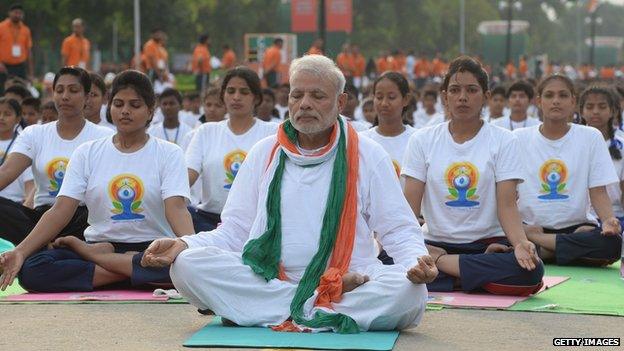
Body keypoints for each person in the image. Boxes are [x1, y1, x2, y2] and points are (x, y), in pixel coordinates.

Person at [141, 55, 436, 333]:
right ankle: (318, 301)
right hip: (272, 279)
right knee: (186, 266)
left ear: (340, 102)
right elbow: (234, 231)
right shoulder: (264, 152)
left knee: (408, 292)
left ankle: (269, 309)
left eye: (317, 96)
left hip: (352, 276)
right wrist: (184, 243)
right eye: (297, 96)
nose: (305, 104)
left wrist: (416, 263)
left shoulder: (368, 154)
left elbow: (398, 229)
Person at [0, 70, 194, 293]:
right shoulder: (87, 152)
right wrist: (20, 252)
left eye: (135, 105)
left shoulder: (169, 153)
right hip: (102, 244)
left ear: (150, 110)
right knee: (32, 270)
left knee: (181, 264)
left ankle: (105, 265)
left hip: (151, 247)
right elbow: (61, 210)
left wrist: (192, 251)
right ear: (109, 107)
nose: (125, 111)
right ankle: (134, 273)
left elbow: (177, 209)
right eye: (119, 104)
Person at [402, 56, 544, 295]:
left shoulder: (504, 140)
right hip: (434, 242)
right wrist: (409, 246)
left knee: (531, 272)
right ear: (445, 96)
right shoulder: (422, 140)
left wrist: (520, 244)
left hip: (487, 245)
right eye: (455, 90)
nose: (462, 97)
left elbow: (507, 206)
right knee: (385, 260)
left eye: (471, 90)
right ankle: (472, 277)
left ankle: (442, 267)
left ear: (486, 97)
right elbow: (409, 208)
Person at [0, 67, 113, 246]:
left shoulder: (104, 136)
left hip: (83, 219)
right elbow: (6, 173)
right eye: (59, 90)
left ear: (86, 96)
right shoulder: (34, 134)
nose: (65, 96)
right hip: (40, 218)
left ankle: (46, 246)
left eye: (73, 90)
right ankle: (43, 243)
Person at [517, 75, 623, 266]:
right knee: (506, 242)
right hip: (531, 225)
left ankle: (542, 248)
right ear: (539, 101)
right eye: (549, 95)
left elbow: (598, 192)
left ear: (573, 102)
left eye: (563, 95)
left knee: (612, 244)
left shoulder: (590, 136)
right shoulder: (518, 138)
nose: (556, 101)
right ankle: (568, 252)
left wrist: (608, 220)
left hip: (575, 229)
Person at [185, 67, 278, 232]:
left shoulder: (273, 132)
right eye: (230, 91)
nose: (236, 97)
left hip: (256, 222)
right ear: (223, 95)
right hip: (208, 221)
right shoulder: (206, 131)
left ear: (256, 98)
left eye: (244, 92)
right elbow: (188, 176)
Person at [580, 85, 624, 226]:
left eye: (602, 107)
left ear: (612, 111)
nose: (596, 112)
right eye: (590, 107)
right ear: (581, 111)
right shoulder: (571, 142)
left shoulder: (621, 145)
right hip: (581, 218)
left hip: (615, 216)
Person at [360, 71, 415, 183]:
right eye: (379, 97)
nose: (384, 103)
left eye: (391, 97)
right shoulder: (361, 141)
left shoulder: (418, 139)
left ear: (406, 99)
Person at [0, 97, 33, 206]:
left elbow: (30, 183)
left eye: (7, 114)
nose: (1, 118)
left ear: (18, 119)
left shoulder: (24, 145)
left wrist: (27, 210)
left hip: (14, 205)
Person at [0, 4, 33, 94]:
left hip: (20, 66)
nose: (17, 15)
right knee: (3, 92)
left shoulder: (26, 30)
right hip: (3, 67)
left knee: (20, 91)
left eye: (20, 13)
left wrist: (30, 73)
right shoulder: (1, 27)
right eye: (15, 12)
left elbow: (29, 51)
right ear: (9, 13)